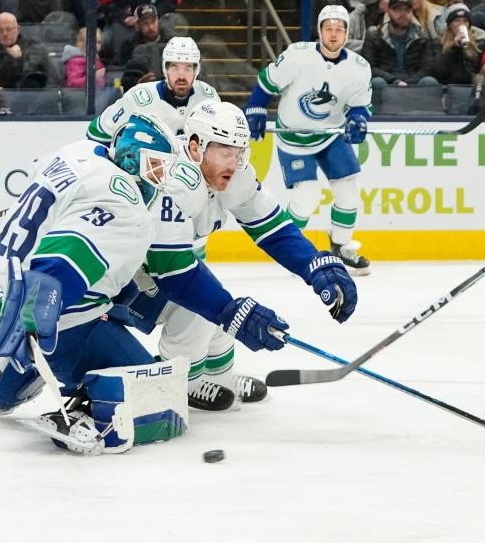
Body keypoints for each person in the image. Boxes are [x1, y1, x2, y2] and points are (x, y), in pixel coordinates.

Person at [0, 114, 193, 454]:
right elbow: (61, 264)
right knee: (155, 396)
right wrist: (33, 322)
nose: (159, 178)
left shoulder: (78, 152)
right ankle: (82, 412)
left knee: (118, 294)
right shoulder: (125, 204)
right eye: (155, 166)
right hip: (39, 313)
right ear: (130, 158)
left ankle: (2, 380)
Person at [108, 102, 359, 410]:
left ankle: (222, 379)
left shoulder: (232, 173)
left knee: (216, 321)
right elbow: (174, 275)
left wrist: (313, 264)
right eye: (225, 152)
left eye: (239, 152)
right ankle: (177, 386)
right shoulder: (174, 181)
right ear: (195, 145)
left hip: (167, 270)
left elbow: (272, 228)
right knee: (198, 314)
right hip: (124, 279)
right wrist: (232, 312)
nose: (234, 162)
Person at [244, 6, 374, 274]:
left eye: (340, 29)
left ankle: (341, 245)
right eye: (329, 28)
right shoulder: (298, 56)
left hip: (330, 135)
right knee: (306, 197)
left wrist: (358, 120)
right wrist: (256, 107)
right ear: (319, 30)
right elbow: (268, 83)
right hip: (293, 137)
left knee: (349, 190)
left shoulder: (359, 68)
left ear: (347, 33)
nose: (334, 34)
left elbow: (359, 106)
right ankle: (291, 250)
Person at [88, 37, 220, 145]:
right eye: (174, 68)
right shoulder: (138, 98)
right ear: (165, 69)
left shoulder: (208, 98)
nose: (181, 76)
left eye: (188, 68)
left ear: (196, 71)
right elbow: (97, 131)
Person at [362, 0, 437, 89]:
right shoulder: (374, 35)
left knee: (430, 81)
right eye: (397, 10)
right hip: (387, 82)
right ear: (388, 12)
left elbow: (428, 68)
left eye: (407, 10)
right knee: (377, 82)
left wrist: (407, 83)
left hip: (413, 83)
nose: (403, 14)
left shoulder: (422, 36)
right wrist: (395, 81)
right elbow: (368, 67)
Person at [0, 12, 54, 89]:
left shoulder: (34, 45)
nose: (5, 34)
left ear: (18, 29)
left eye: (9, 29)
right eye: (0, 30)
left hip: (35, 94)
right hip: (3, 97)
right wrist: (10, 58)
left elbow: (50, 75)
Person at [430, 2, 485, 86]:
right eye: (457, 20)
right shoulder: (437, 43)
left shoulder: (480, 42)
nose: (461, 24)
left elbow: (484, 69)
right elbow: (437, 71)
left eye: (465, 21)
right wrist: (454, 47)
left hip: (471, 87)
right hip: (445, 88)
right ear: (449, 25)